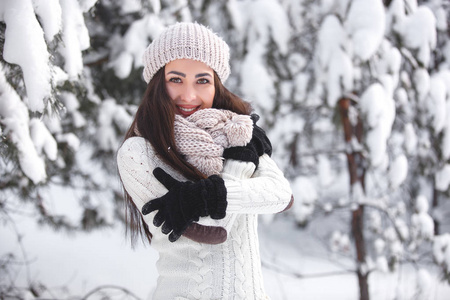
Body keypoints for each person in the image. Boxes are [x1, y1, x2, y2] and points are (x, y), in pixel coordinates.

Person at [117, 22, 293, 300]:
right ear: (157, 84)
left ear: (216, 85)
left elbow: (281, 195)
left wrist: (234, 162)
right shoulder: (139, 153)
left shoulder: (236, 133)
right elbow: (215, 230)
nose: (188, 95)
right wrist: (239, 167)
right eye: (175, 79)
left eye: (202, 80)